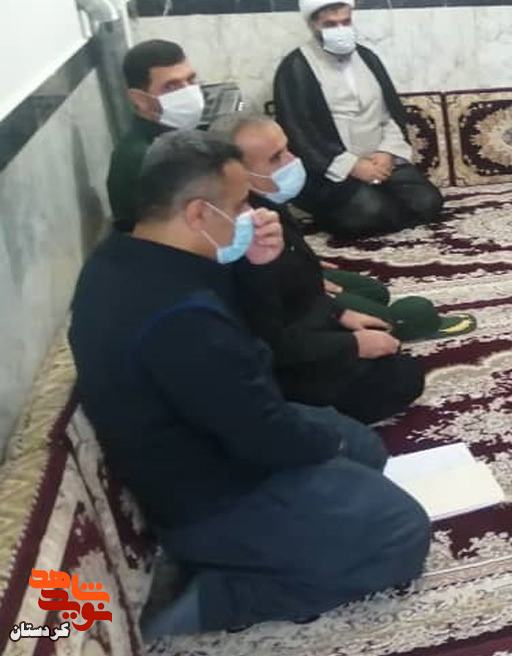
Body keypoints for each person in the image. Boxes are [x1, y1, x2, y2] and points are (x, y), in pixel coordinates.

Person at [69, 132, 430, 636]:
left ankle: (289, 534)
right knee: (402, 531)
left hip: (213, 439)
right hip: (212, 494)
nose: (251, 214)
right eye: (239, 204)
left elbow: (252, 350)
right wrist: (325, 448)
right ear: (199, 213)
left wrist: (256, 268)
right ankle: (215, 599)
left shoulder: (126, 258)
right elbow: (262, 433)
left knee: (363, 446)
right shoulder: (179, 317)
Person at [208, 113, 475, 419]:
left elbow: (296, 280)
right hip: (286, 352)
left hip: (307, 308)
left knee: (373, 293)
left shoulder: (263, 204)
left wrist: (338, 312)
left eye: (287, 149)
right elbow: (266, 337)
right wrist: (350, 344)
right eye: (276, 158)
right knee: (402, 368)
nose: (293, 161)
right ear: (235, 173)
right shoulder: (236, 236)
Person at [273, 0, 444, 238]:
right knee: (369, 212)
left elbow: (390, 114)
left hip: (381, 162)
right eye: (330, 24)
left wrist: (386, 153)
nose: (340, 29)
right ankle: (367, 210)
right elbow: (300, 135)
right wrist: (353, 166)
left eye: (345, 22)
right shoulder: (296, 67)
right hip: (333, 171)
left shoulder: (368, 58)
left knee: (429, 202)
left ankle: (376, 209)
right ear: (312, 25)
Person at [107, 40, 205, 230]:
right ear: (140, 100)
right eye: (171, 87)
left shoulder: (177, 135)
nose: (188, 92)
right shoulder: (144, 158)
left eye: (191, 80)